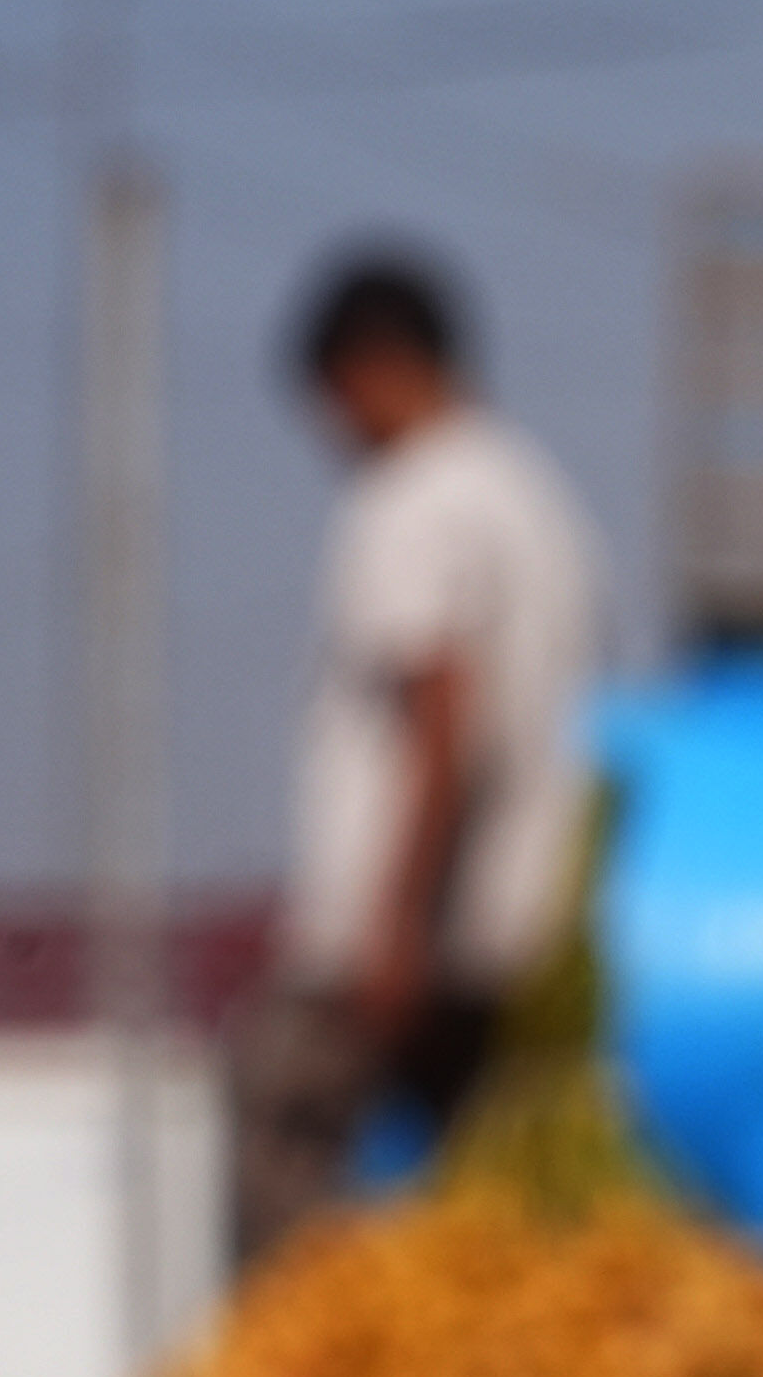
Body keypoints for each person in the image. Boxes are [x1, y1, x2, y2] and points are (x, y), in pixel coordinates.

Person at [234, 248, 603, 1261]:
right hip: (516, 932)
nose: (334, 434)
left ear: (375, 366)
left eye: (333, 400)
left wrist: (396, 927)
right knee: (482, 1220)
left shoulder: (412, 500)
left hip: (401, 936)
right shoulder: (532, 496)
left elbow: (443, 710)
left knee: (282, 1136)